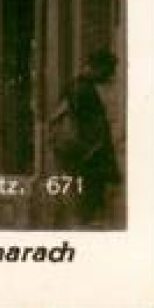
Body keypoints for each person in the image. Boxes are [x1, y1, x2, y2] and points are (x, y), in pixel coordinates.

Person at [51, 50, 120, 227]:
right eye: (108, 70)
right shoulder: (83, 90)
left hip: (79, 159)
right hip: (88, 161)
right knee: (88, 214)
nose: (110, 75)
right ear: (97, 67)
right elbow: (92, 130)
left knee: (83, 211)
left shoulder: (75, 87)